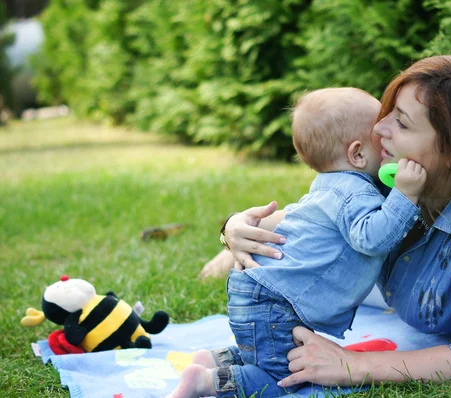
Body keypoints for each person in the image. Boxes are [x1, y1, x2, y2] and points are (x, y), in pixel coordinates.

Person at [201, 53, 451, 389]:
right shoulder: (394, 169)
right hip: (369, 284)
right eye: (390, 112)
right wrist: (234, 230)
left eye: (402, 122)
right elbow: (322, 213)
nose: (379, 128)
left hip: (393, 294)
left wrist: (354, 364)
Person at [169, 87, 427, 398]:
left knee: (271, 352)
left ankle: (211, 360)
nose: (386, 136)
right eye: (378, 134)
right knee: (284, 376)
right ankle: (204, 383)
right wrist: (405, 195)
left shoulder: (329, 183)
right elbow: (372, 238)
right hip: (277, 300)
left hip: (263, 291)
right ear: (357, 154)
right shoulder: (354, 193)